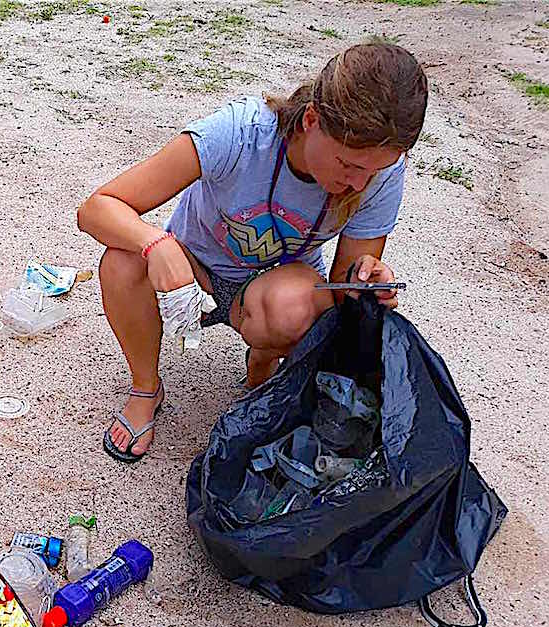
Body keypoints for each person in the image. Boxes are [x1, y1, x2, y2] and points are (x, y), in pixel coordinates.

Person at [77, 43, 427, 463]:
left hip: (274, 291)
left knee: (297, 307)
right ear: (311, 120)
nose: (358, 184)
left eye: (373, 172)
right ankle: (146, 388)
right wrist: (157, 243)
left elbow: (341, 292)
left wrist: (367, 282)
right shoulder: (241, 133)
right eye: (348, 165)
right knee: (123, 261)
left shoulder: (378, 173)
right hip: (195, 275)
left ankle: (264, 359)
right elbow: (96, 208)